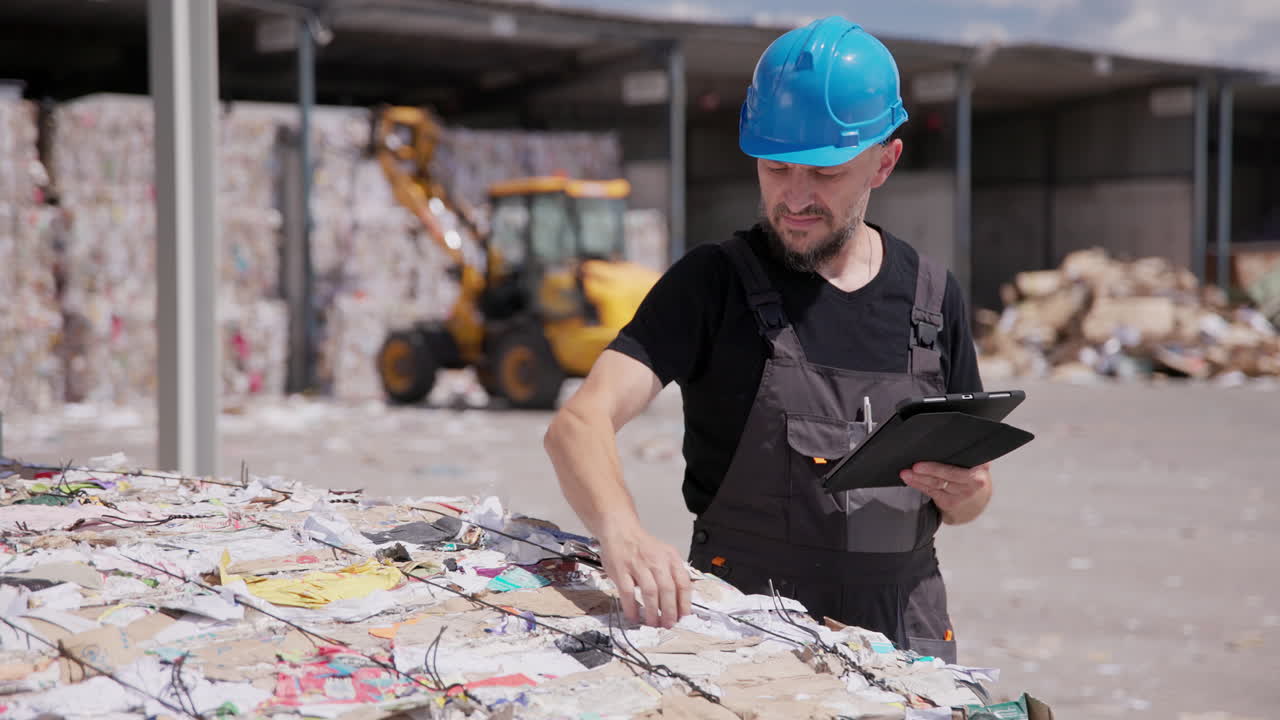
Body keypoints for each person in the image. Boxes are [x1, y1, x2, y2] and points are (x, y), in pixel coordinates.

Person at [543, 16, 989, 664]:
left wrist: (968, 494)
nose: (796, 197)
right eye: (777, 167)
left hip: (905, 644)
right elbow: (579, 423)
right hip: (748, 649)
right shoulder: (713, 283)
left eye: (826, 172)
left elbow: (969, 496)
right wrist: (623, 530)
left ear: (884, 162)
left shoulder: (932, 297)